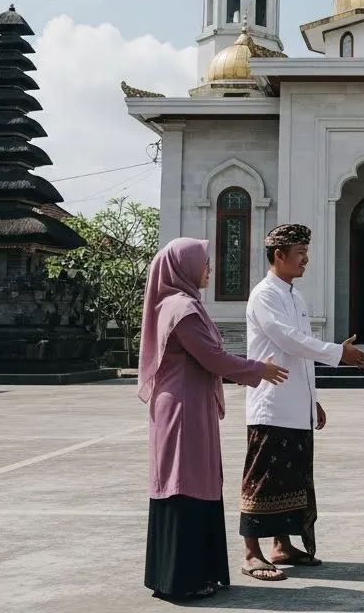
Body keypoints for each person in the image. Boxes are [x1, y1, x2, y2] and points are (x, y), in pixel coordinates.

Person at [140, 237, 289, 602]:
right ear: (185, 267)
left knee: (191, 483)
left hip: (188, 403)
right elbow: (213, 358)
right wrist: (259, 369)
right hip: (184, 408)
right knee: (184, 484)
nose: (209, 268)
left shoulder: (181, 304)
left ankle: (190, 574)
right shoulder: (182, 309)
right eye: (204, 262)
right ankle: (183, 579)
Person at [239, 223, 364, 582]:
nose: (306, 260)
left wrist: (313, 400)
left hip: (296, 404)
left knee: (290, 479)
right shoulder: (263, 295)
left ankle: (281, 545)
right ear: (279, 256)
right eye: (300, 254)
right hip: (270, 405)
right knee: (263, 477)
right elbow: (288, 340)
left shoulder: (294, 295)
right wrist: (337, 352)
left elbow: (300, 351)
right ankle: (251, 552)